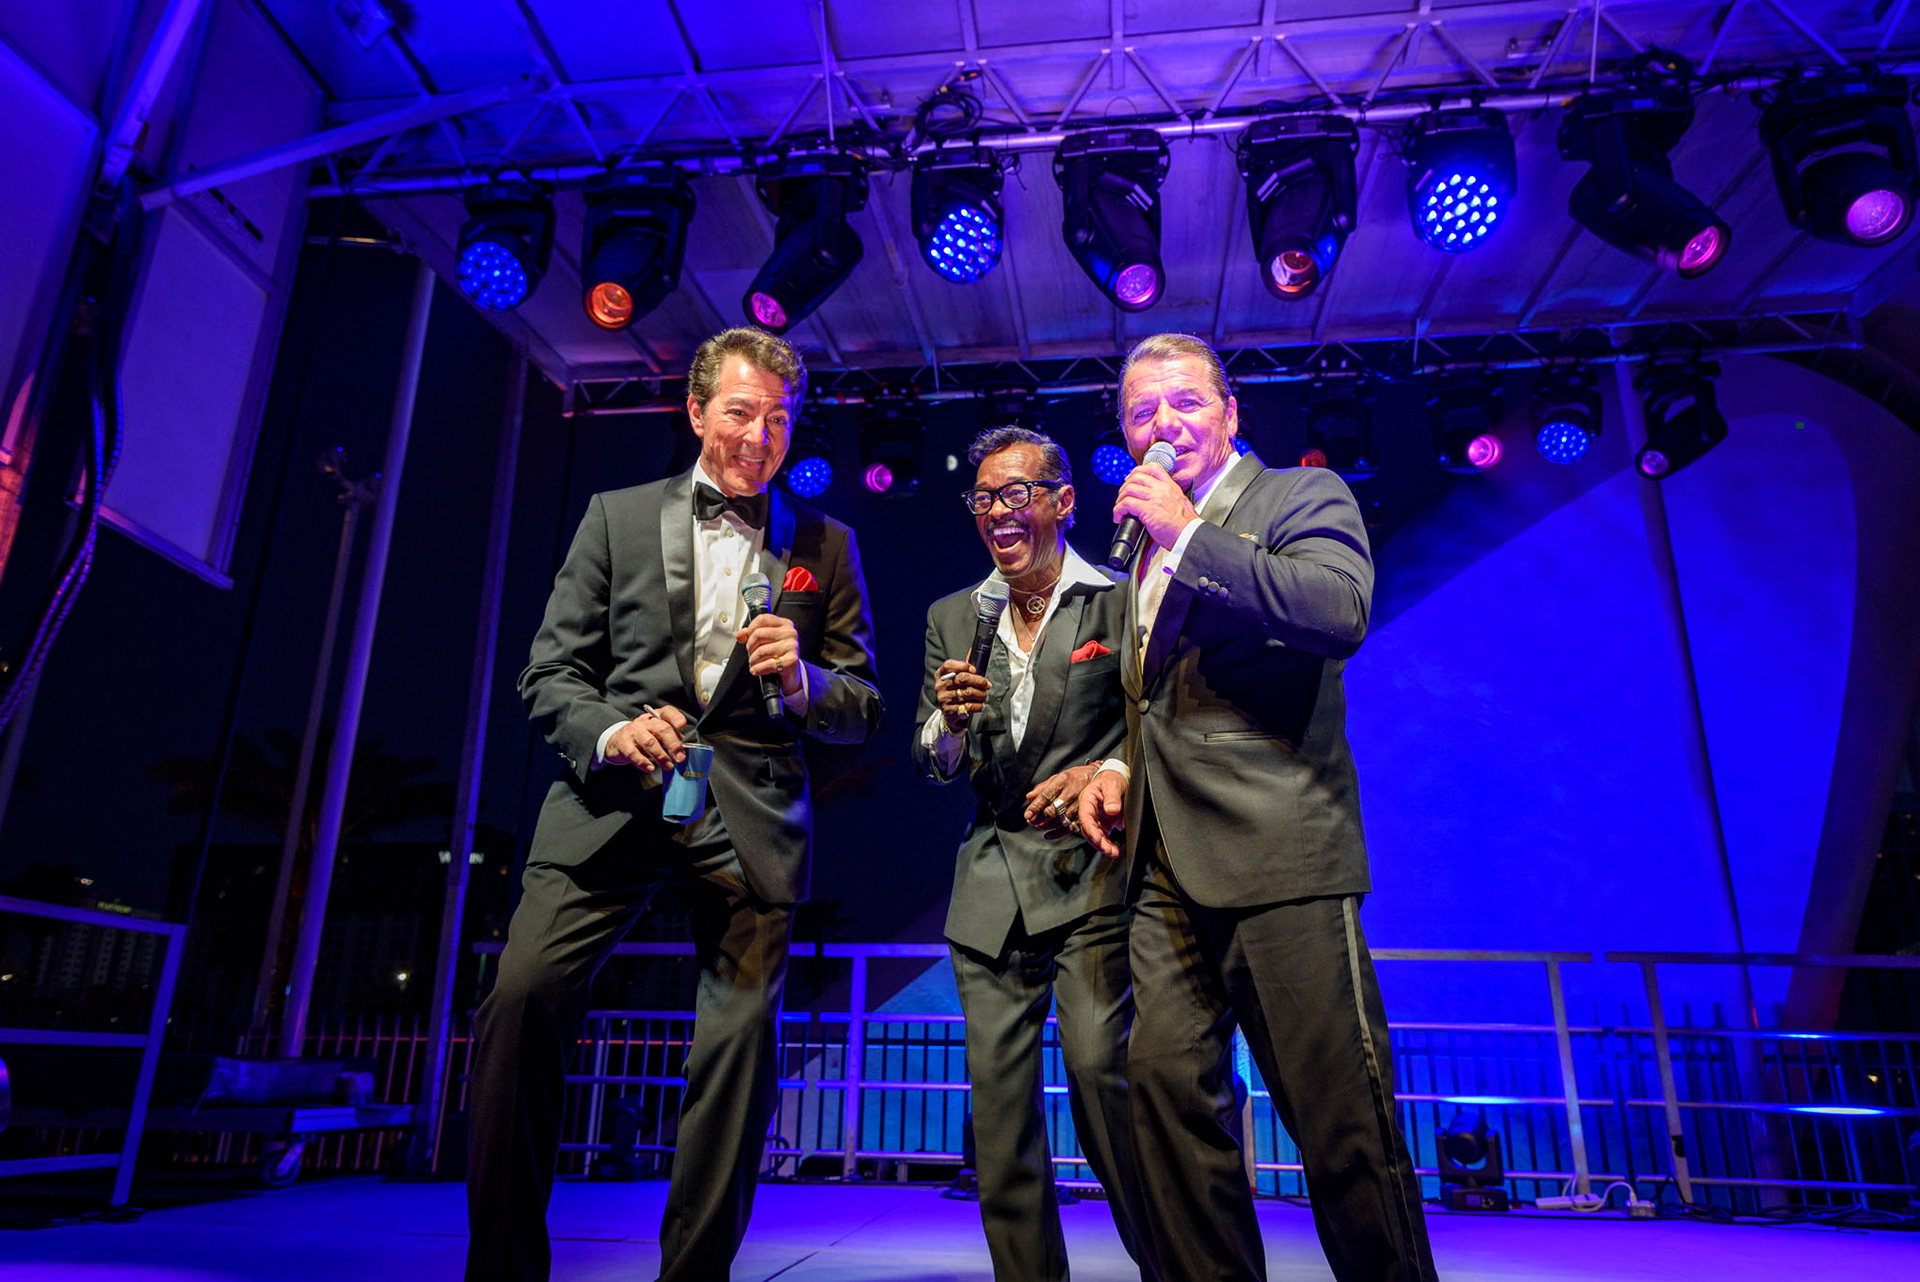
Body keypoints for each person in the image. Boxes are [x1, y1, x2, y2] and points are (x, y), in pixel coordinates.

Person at [466, 328, 884, 1282]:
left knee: (739, 1046)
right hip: (613, 800)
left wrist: (806, 683)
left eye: (779, 420)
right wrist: (612, 731)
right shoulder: (613, 518)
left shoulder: (828, 544)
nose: (760, 437)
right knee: (520, 1000)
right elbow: (549, 674)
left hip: (749, 816)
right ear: (696, 412)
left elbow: (862, 704)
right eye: (740, 412)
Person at [1076, 334, 1437, 1282]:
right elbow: (1154, 699)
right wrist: (1116, 765)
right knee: (1164, 1096)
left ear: (1231, 413)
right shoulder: (1135, 556)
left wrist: (1188, 535)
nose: (1164, 425)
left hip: (1281, 857)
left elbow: (1337, 611)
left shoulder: (1297, 497)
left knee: (1340, 1122)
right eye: (1142, 413)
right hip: (1161, 865)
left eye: (1186, 403)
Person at [911, 426, 1158, 1282]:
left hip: (1091, 877)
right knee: (1000, 1123)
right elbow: (933, 763)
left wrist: (1106, 769)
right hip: (990, 892)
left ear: (1064, 501)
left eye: (1017, 493)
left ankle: (1173, 1261)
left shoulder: (1119, 599)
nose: (998, 512)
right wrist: (947, 725)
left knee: (1102, 1076)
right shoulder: (954, 616)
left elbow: (1152, 725)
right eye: (983, 498)